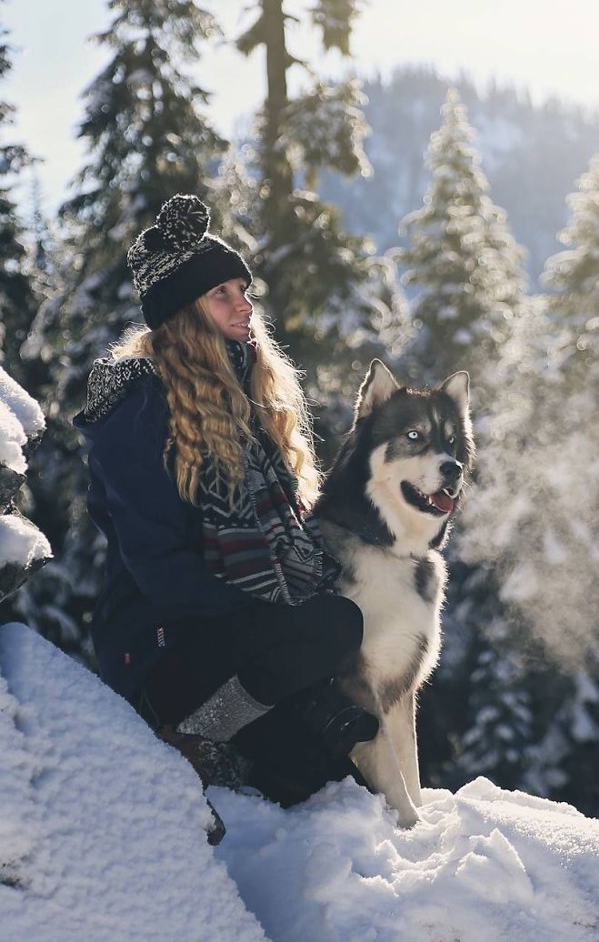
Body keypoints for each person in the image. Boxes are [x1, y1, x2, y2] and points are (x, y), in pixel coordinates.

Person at [73, 194, 378, 822]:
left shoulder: (244, 398)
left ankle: (236, 728)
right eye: (221, 295)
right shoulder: (139, 408)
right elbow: (161, 570)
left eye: (244, 289)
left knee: (324, 789)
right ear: (184, 315)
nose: (244, 305)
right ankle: (194, 734)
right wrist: (278, 610)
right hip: (160, 645)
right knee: (330, 624)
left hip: (236, 645)